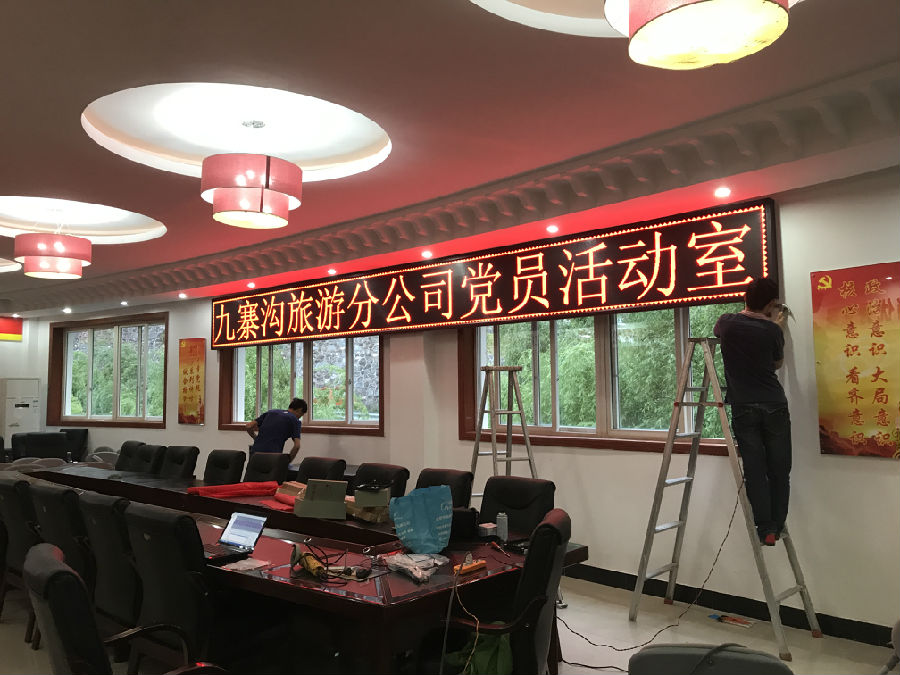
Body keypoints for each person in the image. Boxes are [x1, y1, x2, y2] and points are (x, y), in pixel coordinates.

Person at [714, 277, 790, 547]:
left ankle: (765, 528)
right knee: (779, 468)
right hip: (773, 403)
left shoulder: (726, 322)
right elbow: (777, 363)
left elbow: (719, 332)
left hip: (743, 406)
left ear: (745, 298)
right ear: (771, 304)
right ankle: (777, 525)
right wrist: (777, 325)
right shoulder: (772, 331)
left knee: (755, 469)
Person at [245, 397, 308, 463]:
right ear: (299, 410)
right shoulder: (295, 420)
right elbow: (297, 446)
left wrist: (256, 438)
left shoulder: (271, 412)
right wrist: (288, 462)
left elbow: (248, 426)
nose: (299, 417)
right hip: (273, 456)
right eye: (301, 415)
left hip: (255, 454)